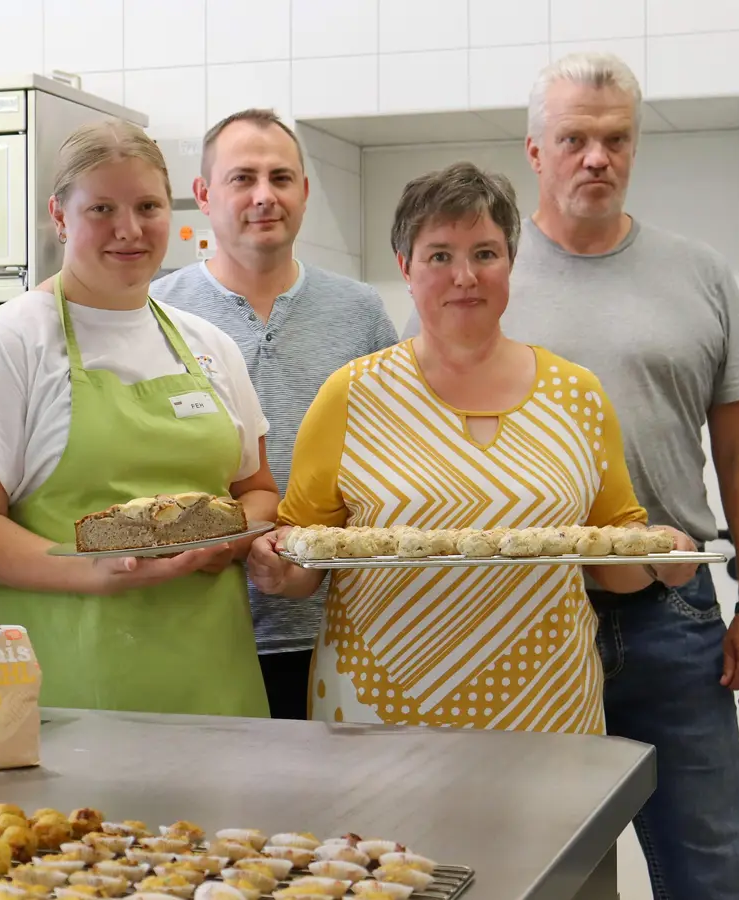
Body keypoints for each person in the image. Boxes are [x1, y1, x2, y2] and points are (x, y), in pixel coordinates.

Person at [400, 52, 739, 900]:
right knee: (536, 870)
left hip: (671, 616)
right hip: (521, 612)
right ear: (535, 151)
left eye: (616, 140)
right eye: (574, 139)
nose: (596, 158)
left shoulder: (699, 274)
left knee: (711, 864)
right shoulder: (485, 275)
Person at [247, 161, 698, 734]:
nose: (465, 277)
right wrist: (276, 569)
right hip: (376, 709)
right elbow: (306, 559)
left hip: (547, 705)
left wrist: (660, 560)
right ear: (406, 268)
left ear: (511, 262)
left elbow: (613, 562)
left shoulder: (577, 395)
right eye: (439, 256)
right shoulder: (353, 395)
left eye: (485, 253)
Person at [0, 119, 276, 717]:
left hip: (214, 684)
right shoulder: (10, 343)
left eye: (148, 207)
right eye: (102, 209)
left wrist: (228, 538)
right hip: (58, 688)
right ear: (59, 216)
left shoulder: (210, 345)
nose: (129, 229)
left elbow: (259, 492)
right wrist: (98, 571)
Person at [152, 109, 398, 720]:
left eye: (281, 178)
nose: (265, 196)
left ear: (304, 192)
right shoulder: (155, 311)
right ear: (204, 195)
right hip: (192, 627)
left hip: (334, 631)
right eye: (243, 178)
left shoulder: (360, 312)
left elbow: (396, 461)